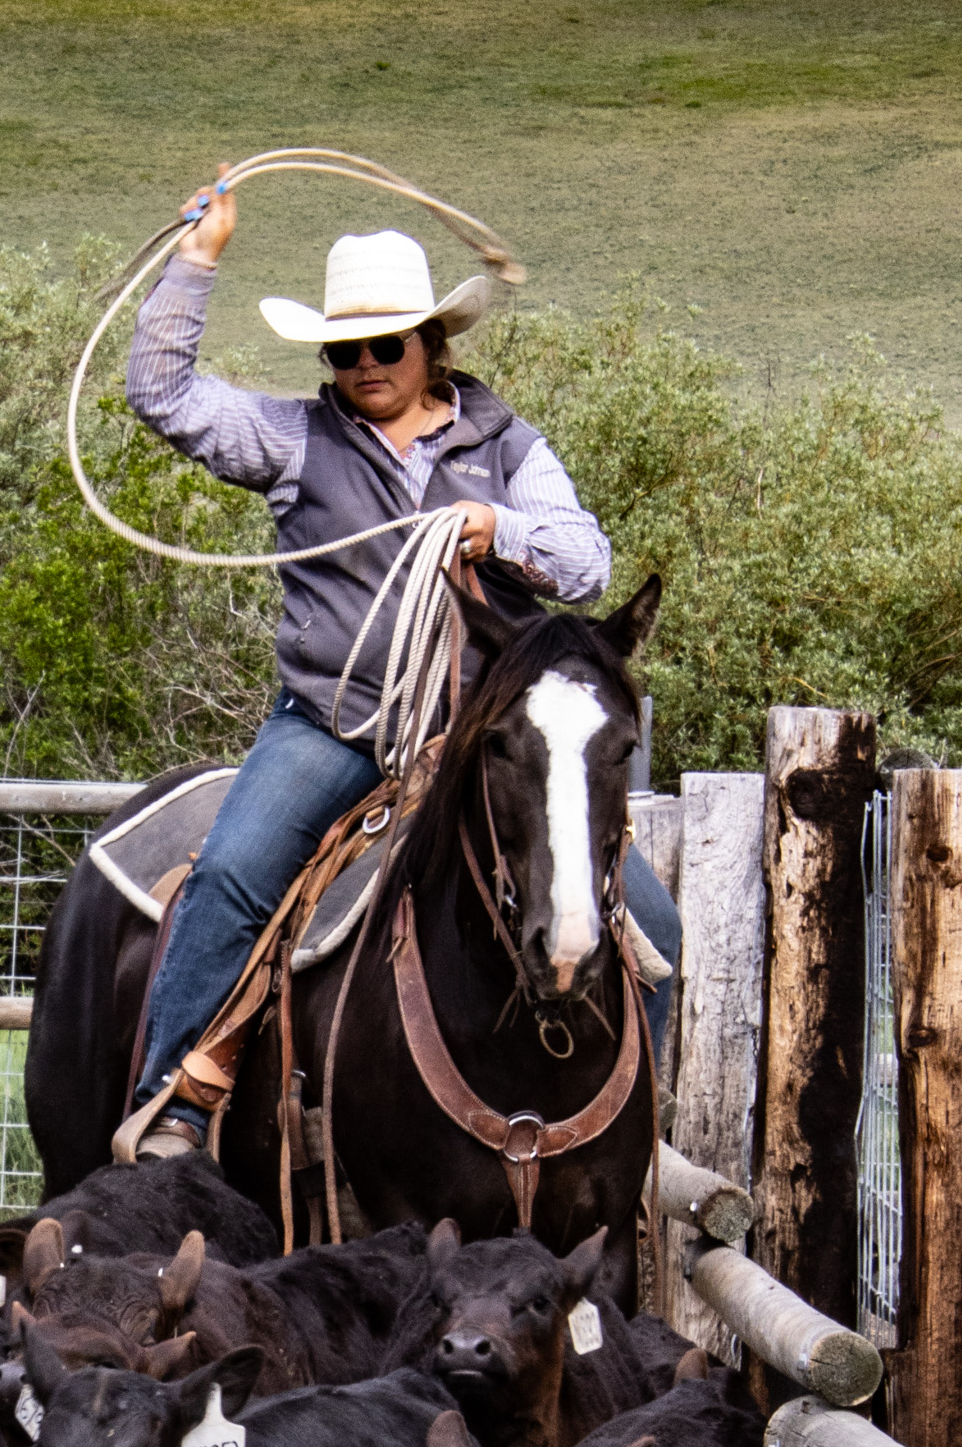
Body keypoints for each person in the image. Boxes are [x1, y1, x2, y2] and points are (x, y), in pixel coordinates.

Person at [122, 166, 681, 1155]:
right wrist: (196, 260)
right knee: (234, 878)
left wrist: (497, 528)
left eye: (387, 345)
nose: (366, 364)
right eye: (346, 350)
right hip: (337, 725)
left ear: (431, 345)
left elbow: (585, 565)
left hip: (483, 737)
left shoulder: (506, 447)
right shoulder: (295, 439)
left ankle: (629, 1124)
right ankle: (177, 1104)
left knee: (651, 926)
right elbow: (161, 395)